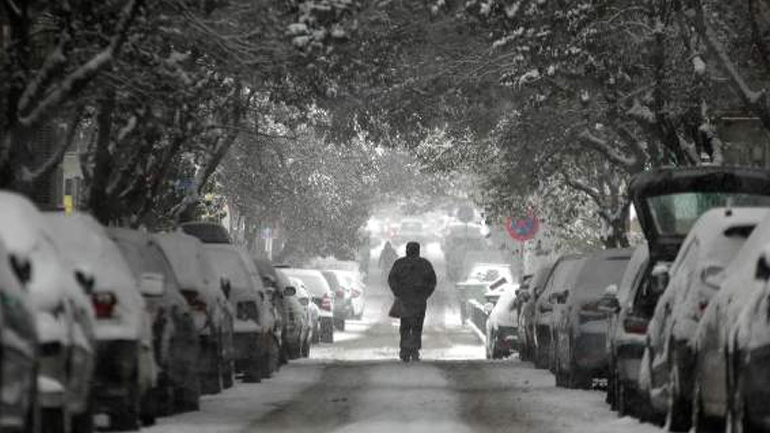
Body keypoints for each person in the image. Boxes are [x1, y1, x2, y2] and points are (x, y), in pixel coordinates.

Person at [388, 242, 437, 362]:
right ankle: (414, 350)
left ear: (407, 250)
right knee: (417, 326)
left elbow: (391, 279)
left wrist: (398, 292)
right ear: (418, 250)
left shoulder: (400, 264)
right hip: (419, 301)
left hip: (404, 300)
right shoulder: (425, 264)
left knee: (405, 325)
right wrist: (425, 294)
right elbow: (432, 282)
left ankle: (404, 350)